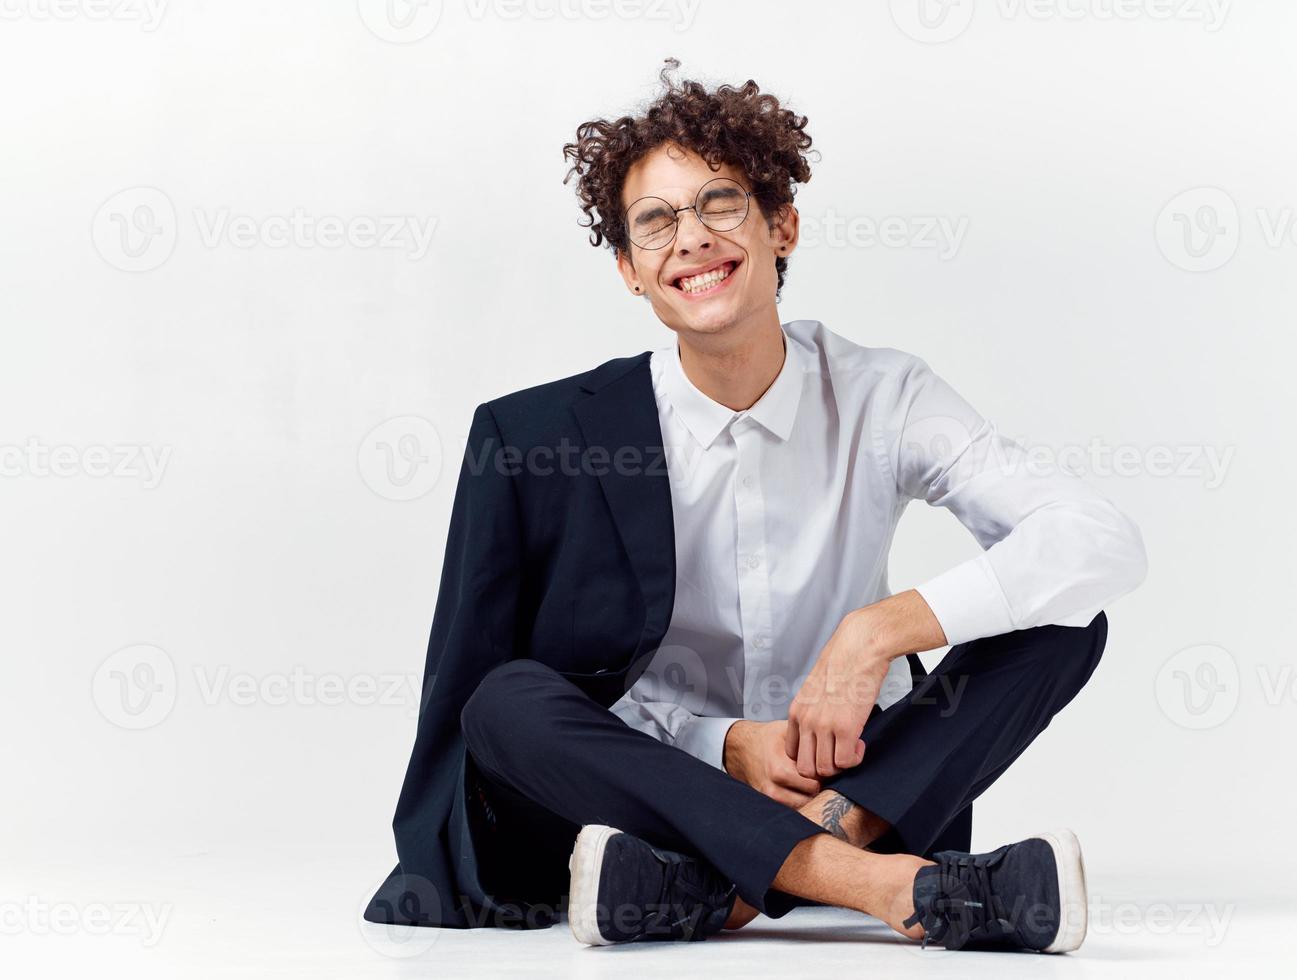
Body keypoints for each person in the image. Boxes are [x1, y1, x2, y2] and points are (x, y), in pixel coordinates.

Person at [364, 59, 1147, 953]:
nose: (689, 238)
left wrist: (877, 633)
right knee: (505, 702)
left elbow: (1100, 540)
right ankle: (876, 883)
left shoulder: (884, 396)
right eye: (655, 222)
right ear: (629, 269)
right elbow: (473, 701)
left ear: (782, 226)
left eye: (720, 204)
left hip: (862, 777)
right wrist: (725, 743)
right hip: (647, 795)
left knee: (1064, 619)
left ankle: (727, 889)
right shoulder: (535, 433)